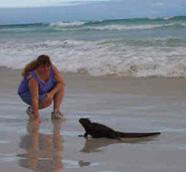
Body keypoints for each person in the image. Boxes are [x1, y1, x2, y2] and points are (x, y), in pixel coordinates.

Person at [18, 55, 65, 124]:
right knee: (47, 100)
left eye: (48, 66)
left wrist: (51, 93)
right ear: (38, 67)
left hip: (42, 88)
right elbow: (35, 98)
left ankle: (56, 112)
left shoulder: (52, 68)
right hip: (27, 94)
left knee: (61, 86)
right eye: (43, 67)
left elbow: (61, 82)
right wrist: (37, 118)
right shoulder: (33, 78)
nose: (46, 69)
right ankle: (32, 110)